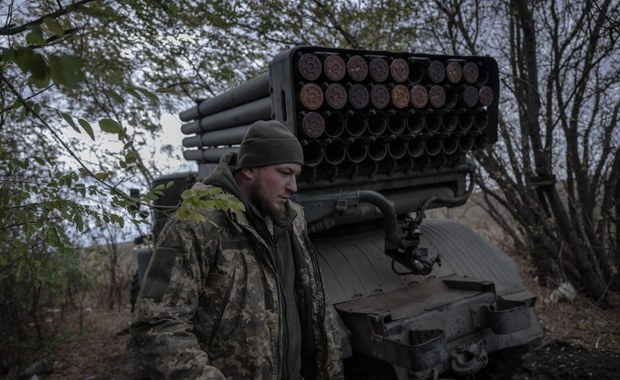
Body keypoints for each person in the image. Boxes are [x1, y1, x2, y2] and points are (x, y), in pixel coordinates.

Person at [130, 120, 344, 379]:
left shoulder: (291, 221)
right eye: (284, 173)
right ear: (250, 168)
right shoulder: (197, 224)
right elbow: (157, 324)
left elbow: (314, 310)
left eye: (295, 175)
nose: (293, 187)